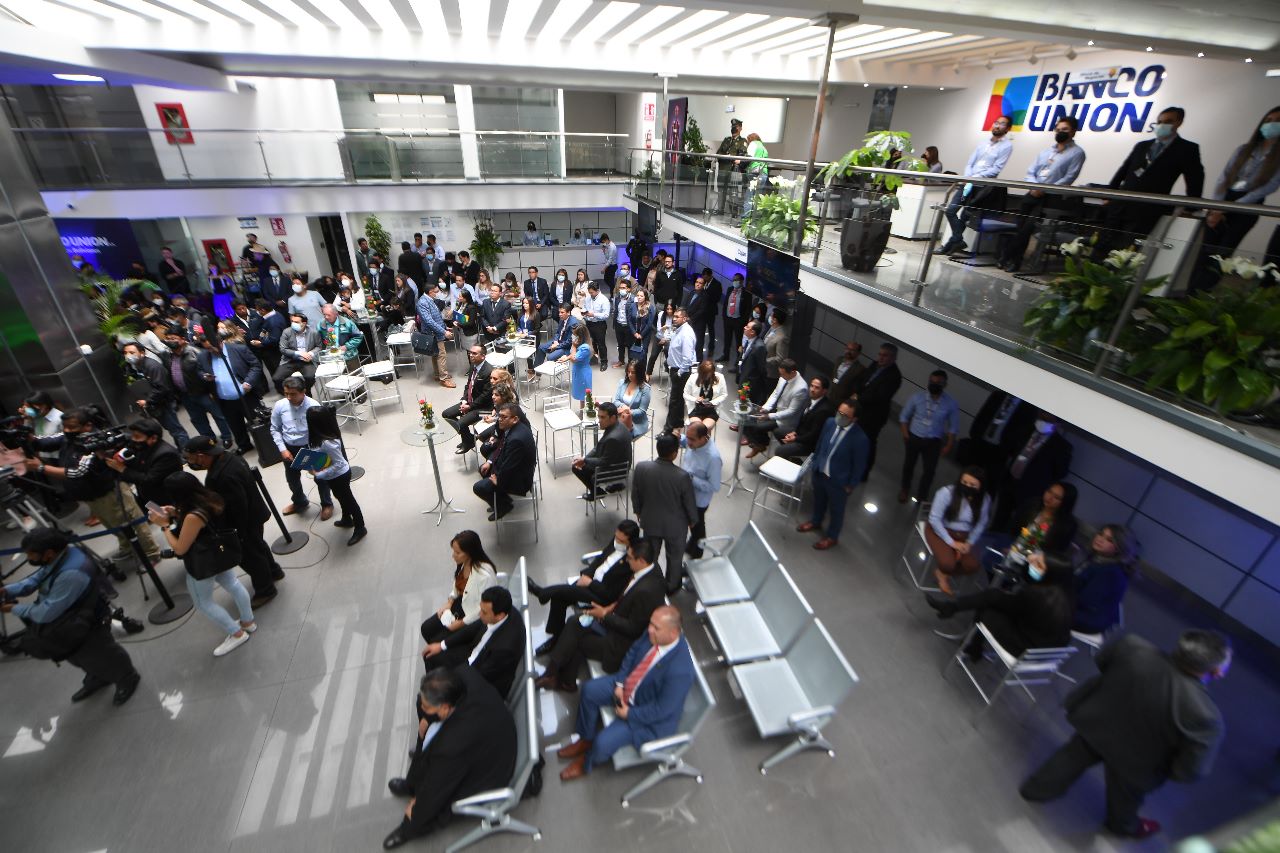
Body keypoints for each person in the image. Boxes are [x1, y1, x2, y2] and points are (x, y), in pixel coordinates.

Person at [1019, 630, 1229, 840]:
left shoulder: (1131, 645)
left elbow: (1103, 663)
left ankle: (1035, 789)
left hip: (1098, 723)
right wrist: (1167, 771)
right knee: (1126, 798)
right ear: (1217, 672)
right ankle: (1121, 826)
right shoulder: (1207, 716)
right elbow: (1191, 769)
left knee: (1071, 756)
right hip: (1139, 764)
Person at [1, 527, 141, 706]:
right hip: (68, 619)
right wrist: (7, 590)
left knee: (102, 652)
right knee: (75, 653)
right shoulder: (61, 555)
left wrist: (13, 609)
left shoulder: (71, 573)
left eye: (31, 555)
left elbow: (46, 612)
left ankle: (127, 677)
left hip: (88, 621)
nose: (29, 559)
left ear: (48, 553)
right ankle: (98, 676)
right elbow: (38, 578)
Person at [382, 668, 516, 850]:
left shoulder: (453, 745)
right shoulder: (463, 676)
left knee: (437, 799)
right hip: (493, 737)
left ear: (444, 708)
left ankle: (410, 829)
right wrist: (426, 720)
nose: (423, 709)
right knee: (431, 751)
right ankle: (412, 784)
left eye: (427, 708)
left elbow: (435, 791)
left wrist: (417, 807)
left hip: (491, 770)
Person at [558, 606, 695, 782]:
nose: (649, 630)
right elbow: (632, 653)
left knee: (602, 744)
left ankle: (587, 762)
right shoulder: (655, 634)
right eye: (651, 624)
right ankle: (586, 738)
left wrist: (629, 713)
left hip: (645, 716)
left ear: (673, 632)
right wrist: (621, 683)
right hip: (629, 685)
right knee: (589, 690)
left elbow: (662, 710)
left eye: (655, 628)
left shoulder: (680, 671)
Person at [29, 407, 163, 566]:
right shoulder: (68, 437)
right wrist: (29, 438)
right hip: (90, 495)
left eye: (72, 427)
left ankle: (151, 552)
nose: (67, 430)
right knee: (111, 524)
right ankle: (128, 546)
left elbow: (78, 471)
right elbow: (47, 442)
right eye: (65, 426)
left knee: (132, 522)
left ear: (87, 426)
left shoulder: (95, 441)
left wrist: (41, 468)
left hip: (109, 492)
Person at [535, 537, 668, 692]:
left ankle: (558, 678)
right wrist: (608, 609)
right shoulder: (649, 569)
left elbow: (634, 628)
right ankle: (555, 676)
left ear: (642, 561)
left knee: (577, 639)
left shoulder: (647, 591)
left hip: (620, 642)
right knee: (574, 622)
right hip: (614, 617)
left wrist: (605, 616)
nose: (626, 560)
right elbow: (626, 596)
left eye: (630, 558)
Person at [151, 472, 256, 657]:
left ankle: (237, 633)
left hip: (203, 562)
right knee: (233, 584)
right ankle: (248, 622)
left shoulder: (192, 516)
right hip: (220, 554)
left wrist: (165, 526)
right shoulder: (210, 498)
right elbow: (203, 522)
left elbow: (181, 548)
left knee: (203, 603)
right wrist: (176, 513)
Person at [184, 436, 283, 608]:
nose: (190, 462)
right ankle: (274, 571)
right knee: (259, 545)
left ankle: (265, 589)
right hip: (255, 515)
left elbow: (238, 506)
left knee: (250, 557)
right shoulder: (230, 457)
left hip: (243, 522)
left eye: (191, 457)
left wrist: (239, 533)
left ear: (201, 455)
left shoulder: (221, 476)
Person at [1190, 105, 1280, 292]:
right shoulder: (1244, 150)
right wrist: (1217, 206)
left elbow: (1267, 187)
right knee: (1203, 252)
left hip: (1248, 207)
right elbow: (1224, 178)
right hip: (1223, 201)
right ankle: (1186, 291)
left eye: (1277, 122)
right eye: (1268, 120)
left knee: (1222, 254)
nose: (1272, 125)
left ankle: (1201, 293)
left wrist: (1229, 208)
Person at [1096, 106, 1205, 258]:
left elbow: (1195, 177)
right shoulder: (1143, 146)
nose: (1162, 125)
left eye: (1168, 122)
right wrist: (1109, 193)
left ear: (1179, 122)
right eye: (1159, 122)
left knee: (1128, 250)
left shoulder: (1187, 149)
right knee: (1103, 242)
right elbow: (1124, 170)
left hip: (1147, 208)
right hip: (1121, 202)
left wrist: (1191, 206)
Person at [528, 521, 641, 653]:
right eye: (615, 537)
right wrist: (586, 576)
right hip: (591, 582)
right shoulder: (616, 542)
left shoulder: (630, 562)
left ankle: (542, 593)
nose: (616, 541)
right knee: (559, 597)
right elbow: (600, 559)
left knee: (561, 593)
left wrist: (589, 583)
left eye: (621, 540)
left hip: (601, 595)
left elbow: (611, 594)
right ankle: (556, 637)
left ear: (631, 542)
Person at [996, 117, 1087, 272]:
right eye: (1058, 129)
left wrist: (1044, 189)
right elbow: (1031, 171)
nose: (1060, 132)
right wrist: (1033, 186)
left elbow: (1069, 178)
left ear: (1073, 131)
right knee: (1020, 227)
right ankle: (1012, 258)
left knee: (1028, 229)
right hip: (1032, 193)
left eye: (1064, 129)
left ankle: (1010, 258)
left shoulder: (1077, 153)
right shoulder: (1047, 151)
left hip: (1051, 198)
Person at [421, 586, 525, 699]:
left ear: (500, 616)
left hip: (481, 678)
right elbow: (474, 627)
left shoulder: (505, 649)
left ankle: (440, 698)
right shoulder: (500, 611)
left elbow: (481, 676)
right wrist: (442, 645)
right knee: (431, 655)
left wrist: (446, 681)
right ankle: (432, 691)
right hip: (475, 652)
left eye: (484, 612)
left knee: (442, 683)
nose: (480, 614)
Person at [796, 399, 869, 550]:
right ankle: (816, 522)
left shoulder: (860, 439)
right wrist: (815, 462)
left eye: (845, 415)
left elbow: (859, 466)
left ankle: (832, 536)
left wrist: (851, 485)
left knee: (837, 510)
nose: (840, 416)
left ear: (854, 419)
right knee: (819, 500)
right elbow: (820, 443)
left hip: (839, 482)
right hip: (820, 472)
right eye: (839, 412)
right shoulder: (830, 422)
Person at [939, 115, 1014, 255]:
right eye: (996, 122)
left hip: (982, 187)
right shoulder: (983, 143)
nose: (997, 126)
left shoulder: (1007, 146)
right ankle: (958, 239)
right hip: (968, 183)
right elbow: (970, 163)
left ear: (1008, 128)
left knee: (965, 216)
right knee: (951, 210)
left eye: (1002, 124)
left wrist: (975, 177)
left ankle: (949, 245)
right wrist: (969, 177)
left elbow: (996, 168)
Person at [632, 434, 697, 594]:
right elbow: (689, 503)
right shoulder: (682, 476)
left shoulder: (641, 468)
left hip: (650, 521)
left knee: (651, 555)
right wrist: (692, 521)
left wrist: (639, 511)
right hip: (676, 526)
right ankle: (671, 586)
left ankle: (651, 584)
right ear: (675, 453)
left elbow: (636, 493)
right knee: (674, 558)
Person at [995, 412, 1073, 528]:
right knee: (999, 518)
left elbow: (1060, 472)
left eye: (1047, 419)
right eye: (1041, 416)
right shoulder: (1026, 430)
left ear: (1057, 423)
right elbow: (1012, 450)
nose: (1042, 420)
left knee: (1019, 523)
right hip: (1010, 482)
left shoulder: (1062, 446)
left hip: (1031, 491)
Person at [269, 377, 333, 520]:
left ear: (303, 392)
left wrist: (319, 452)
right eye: (286, 393)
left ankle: (327, 504)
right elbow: (275, 429)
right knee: (292, 479)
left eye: (293, 394)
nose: (289, 397)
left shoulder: (313, 406)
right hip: (289, 448)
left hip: (310, 447)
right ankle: (299, 502)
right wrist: (282, 449)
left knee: (320, 477)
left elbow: (322, 431)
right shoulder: (280, 405)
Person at [162, 326, 236, 445]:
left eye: (173, 338)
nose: (170, 341)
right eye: (168, 339)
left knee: (218, 416)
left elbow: (208, 372)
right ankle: (208, 439)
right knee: (197, 419)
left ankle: (227, 437)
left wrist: (212, 392)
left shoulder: (195, 352)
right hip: (185, 394)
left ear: (182, 339)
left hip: (203, 392)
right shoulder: (168, 356)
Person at [419, 530, 496, 645]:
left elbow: (482, 609)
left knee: (437, 641)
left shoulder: (484, 576)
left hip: (472, 616)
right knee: (426, 628)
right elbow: (457, 588)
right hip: (460, 604)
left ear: (469, 552)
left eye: (457, 552)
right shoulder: (463, 564)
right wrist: (449, 602)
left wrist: (460, 623)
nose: (453, 556)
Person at [304, 406, 367, 546]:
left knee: (348, 500)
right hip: (332, 476)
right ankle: (346, 518)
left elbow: (338, 463)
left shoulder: (328, 442)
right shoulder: (318, 437)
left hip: (339, 475)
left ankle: (360, 527)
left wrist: (320, 474)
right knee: (340, 496)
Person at [200, 322, 266, 455]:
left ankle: (265, 443)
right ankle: (244, 444)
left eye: (212, 348)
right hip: (225, 400)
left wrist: (248, 382)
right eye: (207, 349)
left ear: (219, 342)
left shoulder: (238, 349)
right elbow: (199, 370)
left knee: (257, 420)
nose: (211, 351)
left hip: (246, 395)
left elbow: (255, 366)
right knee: (236, 425)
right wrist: (204, 376)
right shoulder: (203, 356)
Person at [926, 467, 993, 594]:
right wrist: (951, 543)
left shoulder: (985, 499)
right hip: (940, 530)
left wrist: (969, 542)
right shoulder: (946, 493)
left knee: (973, 565)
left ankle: (942, 574)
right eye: (964, 482)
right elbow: (934, 519)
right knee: (947, 564)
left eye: (972, 485)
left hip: (965, 535)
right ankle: (944, 571)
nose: (967, 486)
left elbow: (981, 523)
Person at [898, 369, 959, 503]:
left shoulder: (951, 403)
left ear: (945, 385)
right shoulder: (917, 397)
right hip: (914, 436)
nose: (934, 384)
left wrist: (949, 445)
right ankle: (904, 489)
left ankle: (922, 496)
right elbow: (904, 416)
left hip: (933, 441)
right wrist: (906, 435)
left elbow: (953, 427)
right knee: (908, 465)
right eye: (931, 382)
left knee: (929, 471)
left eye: (938, 383)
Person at [473, 403, 536, 520]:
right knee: (483, 469)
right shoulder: (513, 429)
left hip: (521, 479)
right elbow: (502, 449)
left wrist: (498, 479)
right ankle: (500, 499)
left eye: (504, 417)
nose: (500, 420)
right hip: (513, 468)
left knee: (478, 487)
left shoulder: (516, 439)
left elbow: (509, 467)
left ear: (515, 419)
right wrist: (490, 462)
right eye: (499, 416)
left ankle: (503, 506)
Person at [120, 341, 189, 449]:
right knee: (172, 429)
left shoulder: (152, 367)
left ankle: (186, 451)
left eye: (132, 352)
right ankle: (182, 450)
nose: (128, 355)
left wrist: (147, 401)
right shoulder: (136, 367)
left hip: (163, 403)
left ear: (142, 353)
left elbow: (161, 388)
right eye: (125, 353)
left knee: (176, 429)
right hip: (156, 403)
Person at [1073, 524, 1138, 635]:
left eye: (1109, 540)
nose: (1100, 540)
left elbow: (1085, 601)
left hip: (1088, 618)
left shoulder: (1111, 573)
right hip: (1079, 607)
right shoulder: (1099, 558)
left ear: (1119, 548)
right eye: (1101, 534)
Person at [107, 418, 182, 512]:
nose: (133, 440)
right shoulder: (142, 447)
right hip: (148, 498)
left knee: (166, 522)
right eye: (133, 436)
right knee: (156, 519)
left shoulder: (167, 455)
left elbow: (149, 480)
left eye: (137, 437)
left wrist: (122, 469)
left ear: (153, 438)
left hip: (166, 501)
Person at [742, 358, 807, 458]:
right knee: (752, 419)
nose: (781, 376)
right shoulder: (784, 377)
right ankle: (760, 444)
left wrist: (769, 416)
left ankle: (760, 445)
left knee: (758, 427)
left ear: (792, 372)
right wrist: (766, 408)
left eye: (783, 374)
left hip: (786, 420)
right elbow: (776, 394)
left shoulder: (801, 389)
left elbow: (791, 412)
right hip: (777, 409)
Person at [572, 402, 633, 498]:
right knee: (583, 463)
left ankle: (597, 492)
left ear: (612, 418)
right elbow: (598, 447)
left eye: (602, 417)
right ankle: (610, 487)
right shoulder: (617, 425)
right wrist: (585, 458)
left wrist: (584, 460)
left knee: (576, 467)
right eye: (599, 416)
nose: (599, 420)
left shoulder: (613, 437)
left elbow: (604, 461)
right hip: (619, 462)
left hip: (618, 470)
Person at [680, 421, 722, 559]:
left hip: (698, 501)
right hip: (686, 494)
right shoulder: (693, 443)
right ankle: (692, 545)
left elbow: (714, 486)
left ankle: (697, 556)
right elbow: (685, 441)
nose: (688, 442)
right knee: (693, 527)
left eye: (692, 439)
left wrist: (691, 478)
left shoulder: (713, 458)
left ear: (704, 438)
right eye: (688, 437)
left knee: (697, 529)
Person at [444, 345, 493, 454]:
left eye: (474, 353)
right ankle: (468, 439)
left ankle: (467, 441)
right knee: (446, 414)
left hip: (484, 408)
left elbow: (485, 395)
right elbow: (468, 385)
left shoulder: (489, 371)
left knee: (460, 424)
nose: (471, 355)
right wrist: (464, 400)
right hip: (471, 402)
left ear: (483, 356)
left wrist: (470, 407)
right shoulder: (473, 366)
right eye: (470, 353)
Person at [664, 307, 698, 432]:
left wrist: (678, 373)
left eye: (677, 317)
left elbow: (688, 359)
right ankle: (678, 424)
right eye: (674, 316)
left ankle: (668, 429)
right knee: (677, 401)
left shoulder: (687, 334)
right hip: (675, 369)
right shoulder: (679, 330)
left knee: (674, 401)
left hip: (681, 372)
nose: (674, 318)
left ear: (684, 318)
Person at [416, 282, 455, 388]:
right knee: (441, 355)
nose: (437, 293)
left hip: (437, 331)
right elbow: (429, 321)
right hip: (433, 333)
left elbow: (436, 317)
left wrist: (445, 327)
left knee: (436, 354)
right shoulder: (423, 302)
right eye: (436, 292)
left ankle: (438, 374)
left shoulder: (429, 299)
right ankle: (444, 378)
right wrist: (444, 331)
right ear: (430, 292)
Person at [272, 312, 321, 393]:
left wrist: (310, 354)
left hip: (307, 361)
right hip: (290, 360)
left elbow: (318, 347)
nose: (293, 324)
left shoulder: (313, 332)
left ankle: (305, 392)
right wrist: (299, 353)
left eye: (296, 322)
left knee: (309, 377)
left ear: (304, 323)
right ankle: (289, 394)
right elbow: (283, 349)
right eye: (292, 321)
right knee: (277, 378)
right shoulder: (286, 332)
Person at [683, 359, 727, 432]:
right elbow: (685, 394)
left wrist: (713, 402)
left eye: (709, 374)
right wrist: (695, 399)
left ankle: (705, 443)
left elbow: (724, 394)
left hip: (712, 410)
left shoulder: (720, 377)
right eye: (705, 374)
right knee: (698, 428)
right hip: (695, 409)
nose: (707, 376)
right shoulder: (693, 377)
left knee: (705, 428)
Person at [612, 360, 653, 438]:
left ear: (639, 373)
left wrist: (628, 412)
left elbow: (642, 411)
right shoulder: (622, 382)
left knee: (618, 437)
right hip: (620, 418)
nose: (630, 375)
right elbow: (616, 401)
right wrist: (623, 407)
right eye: (628, 372)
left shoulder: (645, 389)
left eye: (633, 372)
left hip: (636, 422)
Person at [317, 303, 364, 367]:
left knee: (354, 375)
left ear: (336, 314)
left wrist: (346, 346)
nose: (326, 317)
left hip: (348, 356)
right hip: (331, 357)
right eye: (324, 315)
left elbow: (358, 337)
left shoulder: (347, 323)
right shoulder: (321, 324)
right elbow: (318, 340)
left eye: (328, 315)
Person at [720, 273, 752, 364]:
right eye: (733, 280)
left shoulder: (746, 293)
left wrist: (742, 321)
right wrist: (724, 316)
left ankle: (738, 360)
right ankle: (725, 356)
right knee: (727, 339)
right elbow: (726, 304)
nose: (734, 282)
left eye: (736, 280)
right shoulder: (730, 289)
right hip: (728, 319)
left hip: (738, 321)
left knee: (739, 341)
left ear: (741, 281)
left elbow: (748, 309)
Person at [682, 274, 716, 359]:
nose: (697, 284)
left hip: (698, 324)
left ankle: (698, 361)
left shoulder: (705, 296)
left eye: (700, 283)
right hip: (687, 321)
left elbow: (701, 311)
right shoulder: (692, 292)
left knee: (698, 344)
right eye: (697, 282)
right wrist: (683, 314)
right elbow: (686, 304)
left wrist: (690, 318)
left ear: (704, 285)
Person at [249, 298, 286, 376]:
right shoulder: (273, 315)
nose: (256, 312)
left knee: (277, 374)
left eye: (257, 310)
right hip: (273, 351)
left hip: (274, 354)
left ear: (262, 310)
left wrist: (260, 342)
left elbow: (274, 339)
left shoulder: (273, 322)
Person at [736, 319, 769, 405]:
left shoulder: (759, 347)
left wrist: (750, 385)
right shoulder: (749, 341)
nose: (744, 327)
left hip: (750, 385)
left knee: (746, 408)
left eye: (747, 327)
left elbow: (761, 369)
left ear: (752, 332)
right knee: (741, 406)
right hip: (743, 380)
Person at [581, 282, 611, 370]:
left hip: (599, 325)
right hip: (589, 323)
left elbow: (606, 315)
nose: (590, 294)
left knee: (601, 344)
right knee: (591, 342)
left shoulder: (604, 300)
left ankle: (604, 362)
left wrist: (594, 314)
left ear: (597, 290)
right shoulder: (588, 298)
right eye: (589, 292)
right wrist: (584, 312)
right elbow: (586, 307)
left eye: (592, 293)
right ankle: (594, 358)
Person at [625, 286, 655, 367]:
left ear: (645, 297)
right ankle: (630, 373)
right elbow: (629, 321)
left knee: (643, 354)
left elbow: (649, 323)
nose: (639, 297)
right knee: (631, 354)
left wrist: (641, 335)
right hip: (633, 333)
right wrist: (634, 333)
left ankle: (641, 374)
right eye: (638, 295)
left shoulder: (650, 307)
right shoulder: (632, 306)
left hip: (644, 335)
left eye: (641, 296)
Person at [646, 299, 675, 378]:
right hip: (659, 337)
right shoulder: (661, 314)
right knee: (653, 355)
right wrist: (664, 330)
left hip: (670, 340)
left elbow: (675, 332)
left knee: (668, 353)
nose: (669, 311)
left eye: (671, 309)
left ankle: (669, 371)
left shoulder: (675, 317)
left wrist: (666, 338)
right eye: (667, 309)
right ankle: (648, 373)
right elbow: (659, 329)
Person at [763, 308, 790, 381]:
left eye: (771, 316)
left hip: (770, 372)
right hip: (763, 368)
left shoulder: (782, 337)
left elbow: (780, 358)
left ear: (775, 320)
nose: (769, 317)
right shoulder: (772, 328)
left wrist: (765, 360)